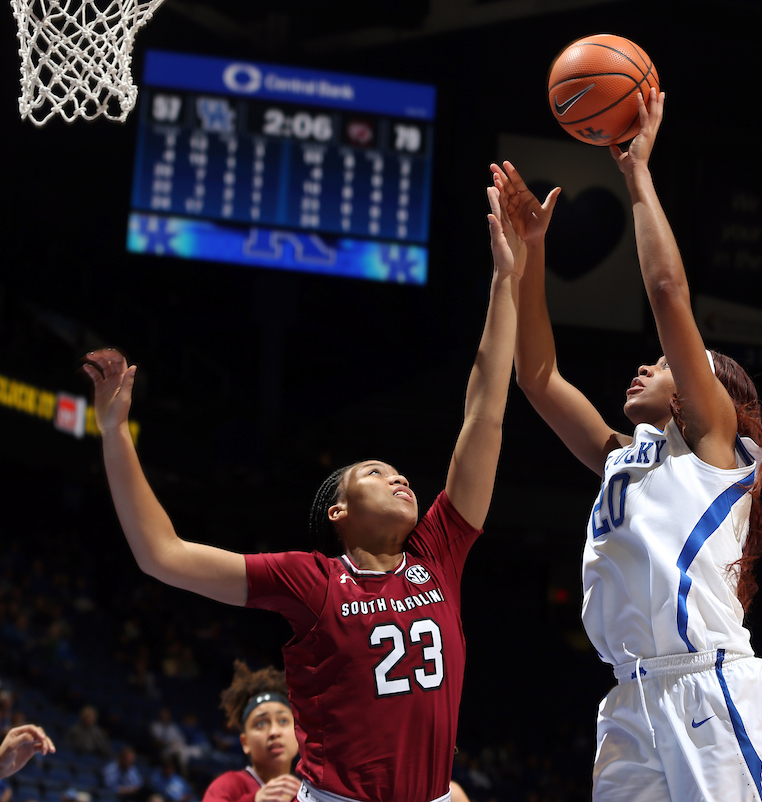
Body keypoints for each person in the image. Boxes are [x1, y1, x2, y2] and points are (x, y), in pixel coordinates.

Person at [83, 183, 526, 802]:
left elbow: (485, 410)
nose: (399, 477)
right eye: (373, 472)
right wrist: (114, 432)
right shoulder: (312, 581)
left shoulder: (438, 553)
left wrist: (508, 278)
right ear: (338, 512)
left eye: (398, 471)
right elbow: (163, 553)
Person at [493, 87, 762, 802]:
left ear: (702, 394)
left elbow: (665, 291)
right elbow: (535, 377)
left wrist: (636, 174)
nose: (645, 365)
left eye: (661, 365)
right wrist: (530, 254)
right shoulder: (622, 457)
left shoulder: (717, 453)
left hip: (711, 688)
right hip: (628, 699)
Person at [202, 662, 300, 802]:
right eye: (260, 724)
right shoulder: (226, 786)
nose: (274, 732)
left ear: (298, 732)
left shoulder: (307, 793)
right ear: (245, 742)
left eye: (283, 721)